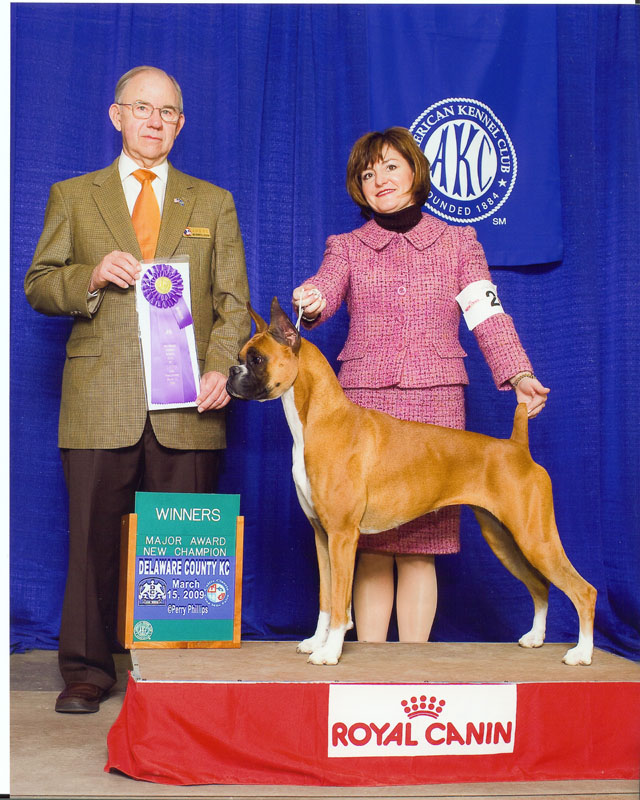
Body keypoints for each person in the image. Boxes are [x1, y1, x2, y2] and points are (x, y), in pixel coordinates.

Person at [24, 66, 251, 713]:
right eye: (142, 108)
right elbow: (40, 283)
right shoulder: (74, 196)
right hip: (100, 399)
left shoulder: (213, 201)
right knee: (92, 542)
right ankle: (89, 672)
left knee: (184, 544)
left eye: (168, 112)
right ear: (116, 115)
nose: (154, 120)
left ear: (181, 124)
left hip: (190, 405)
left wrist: (219, 368)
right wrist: (89, 275)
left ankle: (179, 672)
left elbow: (233, 301)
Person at [292, 127, 548, 646]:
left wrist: (519, 373)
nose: (379, 179)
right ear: (359, 189)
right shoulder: (346, 247)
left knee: (419, 546)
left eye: (390, 166)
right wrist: (311, 298)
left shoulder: (459, 242)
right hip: (363, 402)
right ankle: (367, 662)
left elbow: (487, 315)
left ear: (415, 171)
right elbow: (323, 287)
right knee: (367, 544)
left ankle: (413, 667)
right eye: (367, 174)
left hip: (437, 403)